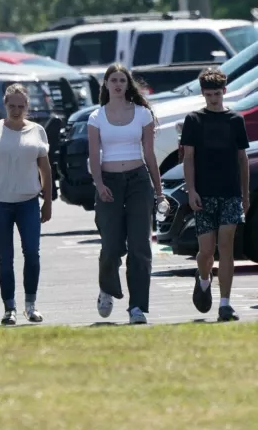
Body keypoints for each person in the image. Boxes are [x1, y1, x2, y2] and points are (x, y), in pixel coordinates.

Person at [87, 63, 166, 324]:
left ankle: (137, 308)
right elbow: (94, 155)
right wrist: (99, 184)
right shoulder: (96, 117)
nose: (118, 84)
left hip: (138, 181)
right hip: (109, 182)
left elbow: (150, 154)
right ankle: (107, 288)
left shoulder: (142, 113)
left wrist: (159, 191)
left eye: (122, 80)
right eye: (113, 80)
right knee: (111, 245)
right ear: (106, 85)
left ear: (127, 84)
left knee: (140, 246)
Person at [0, 84, 52, 326]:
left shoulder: (37, 131)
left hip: (28, 202)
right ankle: (9, 308)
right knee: (5, 257)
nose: (16, 110)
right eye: (12, 106)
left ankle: (30, 305)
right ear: (5, 105)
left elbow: (45, 169)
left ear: (28, 107)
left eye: (21, 106)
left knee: (32, 254)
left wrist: (47, 201)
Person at [180, 67, 250, 322]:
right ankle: (203, 278)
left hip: (230, 192)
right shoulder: (194, 120)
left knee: (226, 248)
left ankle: (225, 304)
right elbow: (189, 157)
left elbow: (242, 159)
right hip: (204, 193)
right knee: (206, 252)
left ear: (224, 91)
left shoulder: (235, 120)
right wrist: (192, 190)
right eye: (209, 95)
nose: (213, 99)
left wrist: (245, 194)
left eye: (217, 94)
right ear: (203, 94)